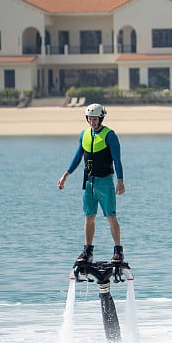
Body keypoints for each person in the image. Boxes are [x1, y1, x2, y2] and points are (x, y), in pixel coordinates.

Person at [57, 103, 125, 269]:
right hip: (89, 182)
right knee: (89, 217)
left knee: (111, 217)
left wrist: (120, 181)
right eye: (90, 119)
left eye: (95, 119)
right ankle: (88, 251)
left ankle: (118, 250)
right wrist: (65, 175)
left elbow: (117, 160)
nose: (92, 122)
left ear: (101, 118)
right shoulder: (84, 135)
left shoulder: (110, 136)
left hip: (105, 181)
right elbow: (77, 157)